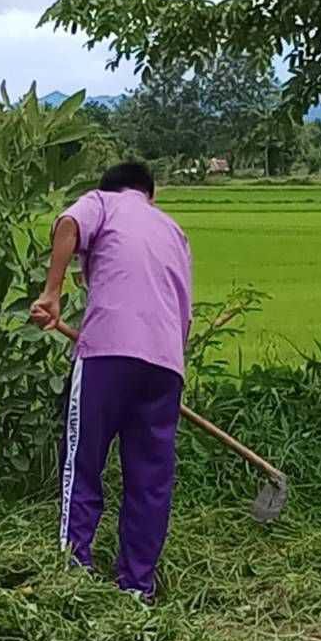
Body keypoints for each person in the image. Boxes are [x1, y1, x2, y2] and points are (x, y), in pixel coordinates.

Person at [29, 161, 193, 599]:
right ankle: (137, 587)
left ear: (111, 188)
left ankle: (74, 572)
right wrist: (164, 379)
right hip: (166, 364)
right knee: (150, 479)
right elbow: (184, 314)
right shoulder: (173, 230)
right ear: (150, 195)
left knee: (82, 460)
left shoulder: (102, 203)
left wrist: (51, 293)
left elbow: (67, 224)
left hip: (106, 354)